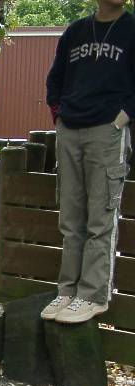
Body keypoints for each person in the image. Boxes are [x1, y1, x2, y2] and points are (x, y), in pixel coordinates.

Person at [41, 0, 134, 323]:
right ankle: (67, 291)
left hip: (107, 131)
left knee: (101, 218)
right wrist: (58, 116)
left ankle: (92, 295)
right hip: (70, 130)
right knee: (71, 219)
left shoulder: (131, 30)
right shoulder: (76, 32)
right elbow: (55, 79)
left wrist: (122, 119)